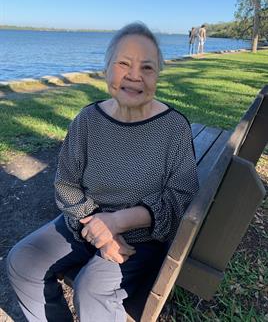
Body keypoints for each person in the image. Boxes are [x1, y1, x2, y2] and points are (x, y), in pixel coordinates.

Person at [7, 22, 199, 322]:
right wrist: (99, 230)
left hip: (141, 238)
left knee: (92, 289)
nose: (134, 75)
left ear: (157, 75)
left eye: (147, 68)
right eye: (124, 63)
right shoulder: (87, 120)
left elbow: (180, 198)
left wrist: (118, 222)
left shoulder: (173, 128)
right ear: (107, 68)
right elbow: (66, 183)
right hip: (83, 223)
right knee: (23, 261)